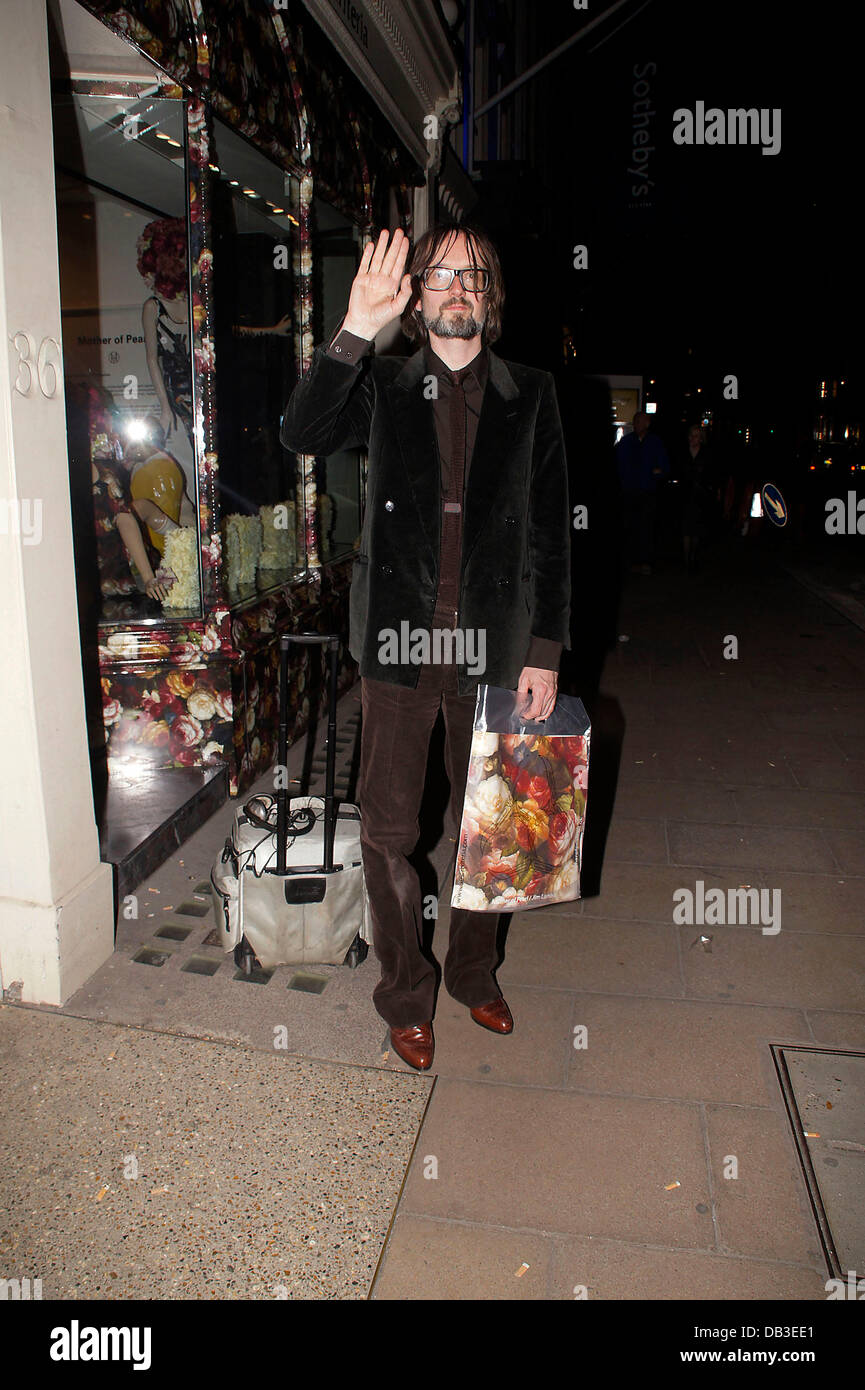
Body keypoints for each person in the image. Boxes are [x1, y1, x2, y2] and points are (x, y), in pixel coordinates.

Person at [281, 225, 571, 1071]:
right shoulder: (381, 383)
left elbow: (551, 534)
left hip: (497, 645)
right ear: (417, 297)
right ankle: (405, 991)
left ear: (492, 295)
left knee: (490, 830)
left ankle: (473, 974)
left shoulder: (534, 394)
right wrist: (352, 329)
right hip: (398, 643)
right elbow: (302, 434)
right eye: (440, 273)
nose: (456, 287)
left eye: (472, 274)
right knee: (389, 827)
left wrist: (545, 648)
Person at [615, 410, 670, 573]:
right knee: (629, 526)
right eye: (636, 421)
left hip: (647, 492)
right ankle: (630, 561)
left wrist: (657, 473)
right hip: (629, 492)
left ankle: (645, 560)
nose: (638, 424)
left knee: (646, 527)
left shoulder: (655, 442)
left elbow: (664, 467)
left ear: (647, 424)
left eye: (641, 421)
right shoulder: (625, 442)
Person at [678, 424, 718, 572]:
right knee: (685, 529)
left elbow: (711, 475)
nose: (692, 439)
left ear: (700, 438)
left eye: (695, 436)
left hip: (700, 497)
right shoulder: (684, 453)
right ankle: (686, 558)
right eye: (690, 435)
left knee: (696, 529)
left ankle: (693, 556)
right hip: (686, 496)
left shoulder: (706, 454)